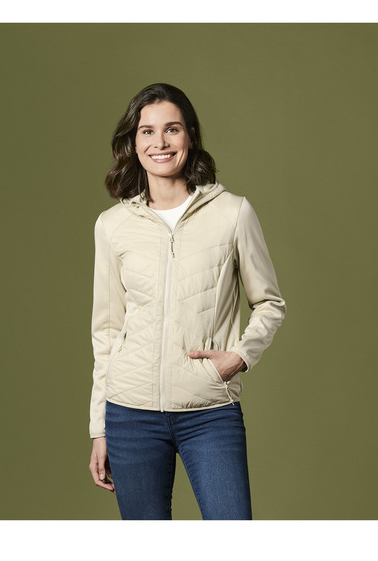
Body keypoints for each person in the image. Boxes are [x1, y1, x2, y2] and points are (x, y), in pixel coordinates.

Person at [88, 83, 285, 520]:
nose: (159, 142)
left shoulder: (232, 213)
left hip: (209, 410)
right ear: (133, 142)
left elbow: (270, 302)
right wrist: (99, 427)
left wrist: (239, 357)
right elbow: (106, 330)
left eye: (172, 129)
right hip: (129, 414)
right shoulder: (113, 225)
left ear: (190, 136)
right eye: (147, 131)